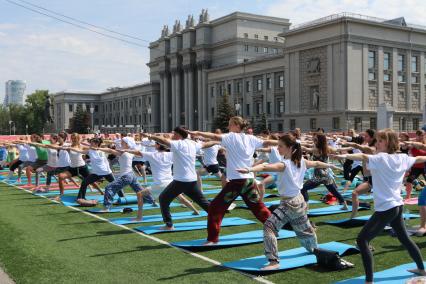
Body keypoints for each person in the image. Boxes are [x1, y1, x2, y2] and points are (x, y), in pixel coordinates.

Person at [334, 129, 426, 283]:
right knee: (404, 238)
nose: (377, 143)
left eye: (380, 141)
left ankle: (369, 281)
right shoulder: (402, 157)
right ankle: (421, 268)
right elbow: (419, 158)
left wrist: (343, 155)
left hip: (386, 208)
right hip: (397, 205)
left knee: (362, 240)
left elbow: (363, 157)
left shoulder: (380, 158)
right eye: (376, 140)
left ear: (389, 143)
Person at [237, 134, 340, 270]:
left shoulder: (284, 164)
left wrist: (249, 169)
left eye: (280, 146)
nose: (278, 148)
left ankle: (274, 262)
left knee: (269, 227)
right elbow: (316, 163)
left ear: (290, 148)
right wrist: (330, 165)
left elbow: (264, 167)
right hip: (299, 201)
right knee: (305, 232)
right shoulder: (301, 161)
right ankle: (315, 250)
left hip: (289, 204)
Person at [189, 116, 278, 245]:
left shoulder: (231, 137)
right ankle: (275, 228)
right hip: (249, 181)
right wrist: (288, 143)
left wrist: (198, 133)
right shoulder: (250, 138)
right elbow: (267, 143)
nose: (228, 127)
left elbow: (214, 136)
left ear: (236, 125)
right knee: (259, 208)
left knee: (215, 208)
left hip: (237, 182)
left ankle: (212, 239)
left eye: (230, 125)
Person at [143, 127, 210, 230]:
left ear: (178, 135)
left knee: (163, 199)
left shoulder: (179, 143)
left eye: (174, 134)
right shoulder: (192, 144)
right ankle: (216, 215)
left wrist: (150, 136)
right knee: (202, 202)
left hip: (181, 181)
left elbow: (163, 141)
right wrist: (217, 141)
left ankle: (169, 225)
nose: (172, 136)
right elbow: (206, 144)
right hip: (191, 180)